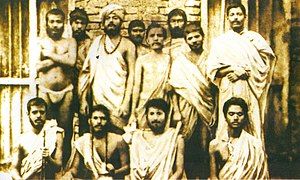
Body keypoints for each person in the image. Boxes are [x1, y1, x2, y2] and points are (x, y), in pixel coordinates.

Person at [206, 3, 276, 141]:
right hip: (228, 87)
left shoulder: (254, 39)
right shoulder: (220, 42)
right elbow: (214, 72)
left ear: (245, 17)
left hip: (250, 88)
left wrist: (244, 71)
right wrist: (233, 69)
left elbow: (267, 64)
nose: (235, 18)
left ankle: (253, 160)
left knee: (251, 123)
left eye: (239, 14)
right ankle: (228, 160)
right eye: (232, 15)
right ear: (227, 18)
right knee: (226, 125)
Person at [78, 4, 136, 133]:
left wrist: (126, 102)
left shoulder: (128, 45)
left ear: (121, 21)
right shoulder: (97, 42)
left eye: (115, 18)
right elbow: (86, 73)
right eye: (108, 18)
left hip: (119, 101)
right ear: (103, 22)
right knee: (99, 136)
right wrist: (83, 99)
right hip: (97, 99)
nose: (111, 21)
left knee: (119, 138)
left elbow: (132, 76)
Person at [169, 22, 215, 178]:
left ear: (203, 37)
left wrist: (215, 110)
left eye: (197, 36)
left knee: (205, 145)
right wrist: (176, 110)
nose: (195, 40)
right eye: (191, 38)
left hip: (206, 108)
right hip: (185, 108)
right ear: (186, 41)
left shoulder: (210, 57)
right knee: (186, 145)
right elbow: (173, 89)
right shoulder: (180, 61)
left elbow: (215, 87)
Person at [35, 8, 77, 164]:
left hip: (66, 91)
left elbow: (72, 62)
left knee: (65, 130)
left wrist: (50, 56)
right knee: (45, 129)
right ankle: (45, 166)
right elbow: (37, 66)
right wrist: (62, 58)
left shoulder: (70, 42)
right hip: (45, 90)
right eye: (51, 21)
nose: (55, 25)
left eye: (58, 21)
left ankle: (63, 166)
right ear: (46, 23)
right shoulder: (40, 41)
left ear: (64, 23)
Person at [129, 22, 179, 129]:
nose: (156, 38)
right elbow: (136, 87)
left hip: (164, 103)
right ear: (147, 40)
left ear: (164, 40)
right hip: (145, 103)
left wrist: (176, 110)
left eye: (159, 36)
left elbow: (173, 86)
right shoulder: (141, 60)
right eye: (152, 36)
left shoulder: (169, 59)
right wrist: (133, 112)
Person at [64, 104, 130, 179]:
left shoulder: (118, 140)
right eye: (95, 118)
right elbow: (75, 168)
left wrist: (115, 172)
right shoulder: (83, 141)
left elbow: (127, 167)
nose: (99, 121)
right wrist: (68, 174)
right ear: (89, 121)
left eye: (103, 118)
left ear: (108, 121)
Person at [209, 97, 269, 179]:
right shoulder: (215, 145)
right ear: (225, 116)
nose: (235, 118)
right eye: (231, 114)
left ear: (245, 117)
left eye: (240, 114)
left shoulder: (255, 145)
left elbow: (262, 176)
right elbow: (213, 176)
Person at [129, 98, 185, 180]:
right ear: (146, 116)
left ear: (166, 115)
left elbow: (179, 171)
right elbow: (133, 170)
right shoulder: (137, 137)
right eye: (151, 114)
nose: (155, 118)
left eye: (159, 113)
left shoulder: (175, 138)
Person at [10, 97, 64, 179]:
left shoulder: (55, 134)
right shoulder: (21, 139)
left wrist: (48, 158)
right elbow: (13, 168)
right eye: (34, 112)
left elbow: (58, 167)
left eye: (42, 112)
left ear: (46, 114)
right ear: (28, 114)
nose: (39, 115)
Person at [69, 7, 92, 135]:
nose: (79, 26)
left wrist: (84, 96)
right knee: (65, 125)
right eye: (76, 23)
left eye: (82, 23)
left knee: (84, 123)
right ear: (71, 23)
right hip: (67, 85)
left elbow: (89, 69)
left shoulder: (89, 43)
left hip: (83, 86)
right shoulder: (65, 41)